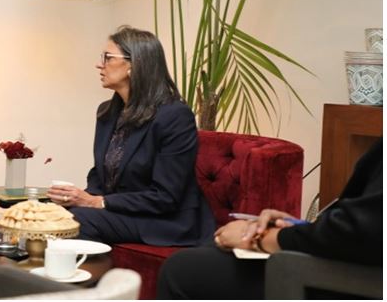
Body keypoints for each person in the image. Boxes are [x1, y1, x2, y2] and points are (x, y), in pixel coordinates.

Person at [47, 25, 215, 245]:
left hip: (164, 220)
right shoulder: (107, 112)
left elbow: (165, 197)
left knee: (76, 222)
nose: (99, 64)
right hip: (124, 213)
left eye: (107, 57)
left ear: (133, 65)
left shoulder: (174, 116)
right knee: (49, 214)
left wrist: (98, 202)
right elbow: (99, 175)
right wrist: (78, 198)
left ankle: (87, 280)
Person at [157, 139, 382, 299]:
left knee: (183, 269)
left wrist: (260, 237)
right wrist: (301, 226)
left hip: (348, 282)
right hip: (351, 263)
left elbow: (363, 233)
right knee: (211, 250)